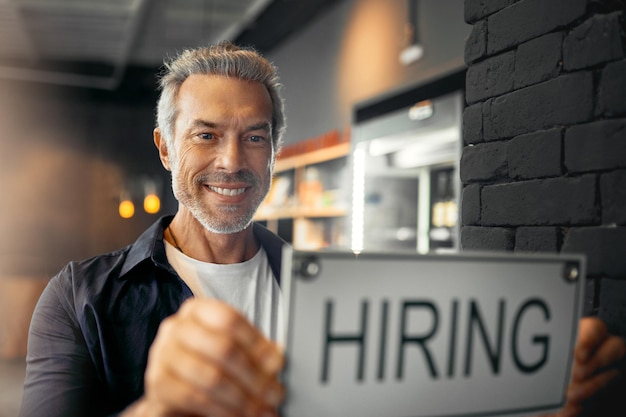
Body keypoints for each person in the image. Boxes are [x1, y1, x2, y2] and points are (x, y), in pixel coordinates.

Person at [19, 41, 625, 417]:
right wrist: (160, 409)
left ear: (274, 152)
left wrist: (533, 400)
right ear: (166, 148)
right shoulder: (79, 300)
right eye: (206, 134)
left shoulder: (338, 294)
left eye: (255, 137)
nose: (232, 160)